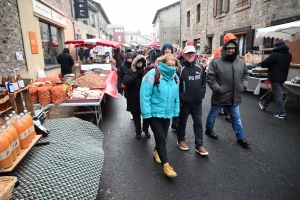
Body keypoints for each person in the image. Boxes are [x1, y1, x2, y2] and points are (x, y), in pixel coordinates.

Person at [140, 53, 180, 178]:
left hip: (166, 114)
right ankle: (166, 165)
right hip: (154, 113)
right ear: (162, 63)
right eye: (168, 65)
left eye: (173, 65)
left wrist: (175, 112)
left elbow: (176, 97)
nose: (171, 67)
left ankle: (157, 151)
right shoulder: (152, 74)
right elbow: (144, 95)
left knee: (164, 136)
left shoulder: (175, 77)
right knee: (161, 137)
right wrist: (147, 114)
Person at [205, 40, 250, 147]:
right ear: (225, 49)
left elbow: (245, 75)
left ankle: (240, 137)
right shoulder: (216, 62)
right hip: (220, 95)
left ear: (235, 49)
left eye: (233, 48)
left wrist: (243, 85)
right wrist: (218, 89)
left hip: (235, 96)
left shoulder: (241, 61)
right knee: (213, 115)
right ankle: (208, 130)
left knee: (236, 118)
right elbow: (210, 77)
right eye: (228, 48)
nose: (230, 50)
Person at [176, 45, 208, 155]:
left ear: (195, 55)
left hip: (197, 102)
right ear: (183, 55)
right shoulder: (179, 69)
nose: (190, 55)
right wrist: (182, 97)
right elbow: (176, 86)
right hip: (185, 103)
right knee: (182, 122)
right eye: (188, 53)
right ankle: (180, 140)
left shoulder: (200, 67)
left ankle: (199, 145)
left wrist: (202, 93)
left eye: (192, 53)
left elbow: (204, 82)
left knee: (198, 123)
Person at [259, 41, 292, 119]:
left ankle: (282, 113)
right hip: (283, 77)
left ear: (276, 47)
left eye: (274, 46)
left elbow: (263, 64)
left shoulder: (274, 54)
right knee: (274, 92)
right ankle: (265, 105)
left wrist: (271, 64)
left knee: (277, 94)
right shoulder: (289, 55)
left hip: (275, 77)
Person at [123, 55, 150, 139]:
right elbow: (126, 82)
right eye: (138, 62)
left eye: (141, 62)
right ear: (135, 63)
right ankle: (138, 131)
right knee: (136, 116)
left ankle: (146, 130)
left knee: (146, 116)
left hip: (144, 98)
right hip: (133, 97)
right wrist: (136, 75)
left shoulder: (146, 72)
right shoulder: (129, 71)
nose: (140, 64)